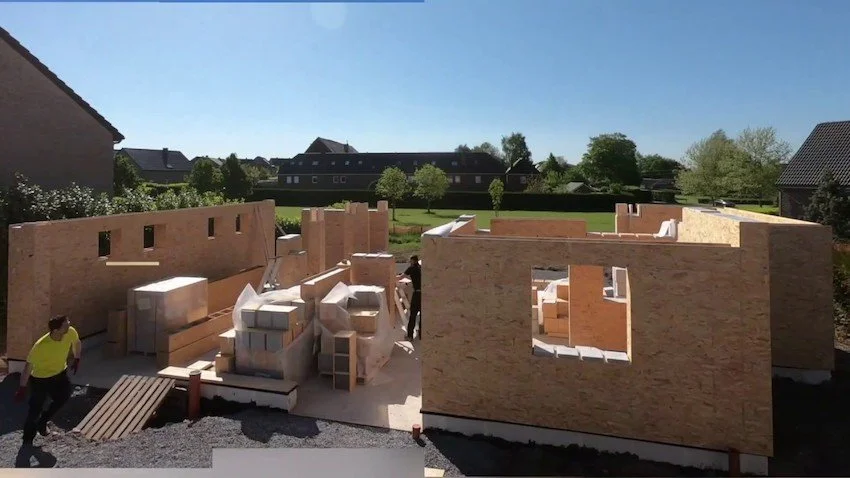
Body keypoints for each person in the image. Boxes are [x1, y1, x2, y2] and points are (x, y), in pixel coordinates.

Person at [14, 315, 81, 447]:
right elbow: (28, 367)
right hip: (40, 379)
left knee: (63, 397)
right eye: (65, 324)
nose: (69, 324)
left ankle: (43, 421)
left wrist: (77, 358)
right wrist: (22, 387)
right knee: (35, 408)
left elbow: (77, 342)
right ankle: (27, 439)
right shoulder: (41, 346)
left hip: (60, 374)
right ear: (56, 330)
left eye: (68, 322)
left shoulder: (70, 332)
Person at [397, 255, 422, 341]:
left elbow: (401, 277)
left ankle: (410, 336)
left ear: (413, 261)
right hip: (423, 294)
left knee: (413, 315)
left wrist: (392, 278)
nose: (409, 262)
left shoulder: (412, 268)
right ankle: (421, 335)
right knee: (422, 315)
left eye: (410, 261)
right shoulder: (420, 268)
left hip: (417, 294)